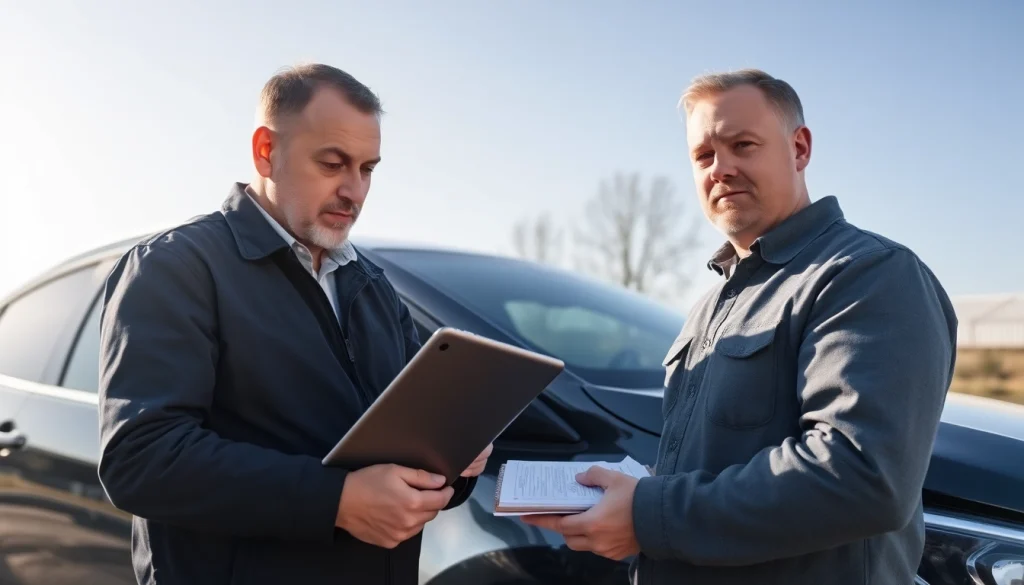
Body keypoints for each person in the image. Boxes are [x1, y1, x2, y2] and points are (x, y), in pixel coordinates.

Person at [523, 68, 957, 585]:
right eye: (703, 156)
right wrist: (629, 496)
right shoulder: (710, 304)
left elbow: (860, 475)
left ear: (799, 149)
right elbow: (712, 466)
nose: (720, 168)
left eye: (743, 145)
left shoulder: (868, 276)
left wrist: (648, 515)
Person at [97, 63, 492, 585]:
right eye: (333, 163)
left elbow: (405, 444)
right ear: (266, 150)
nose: (355, 191)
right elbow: (141, 459)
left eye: (368, 169)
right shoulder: (176, 267)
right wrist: (337, 501)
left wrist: (455, 457)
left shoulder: (371, 287)